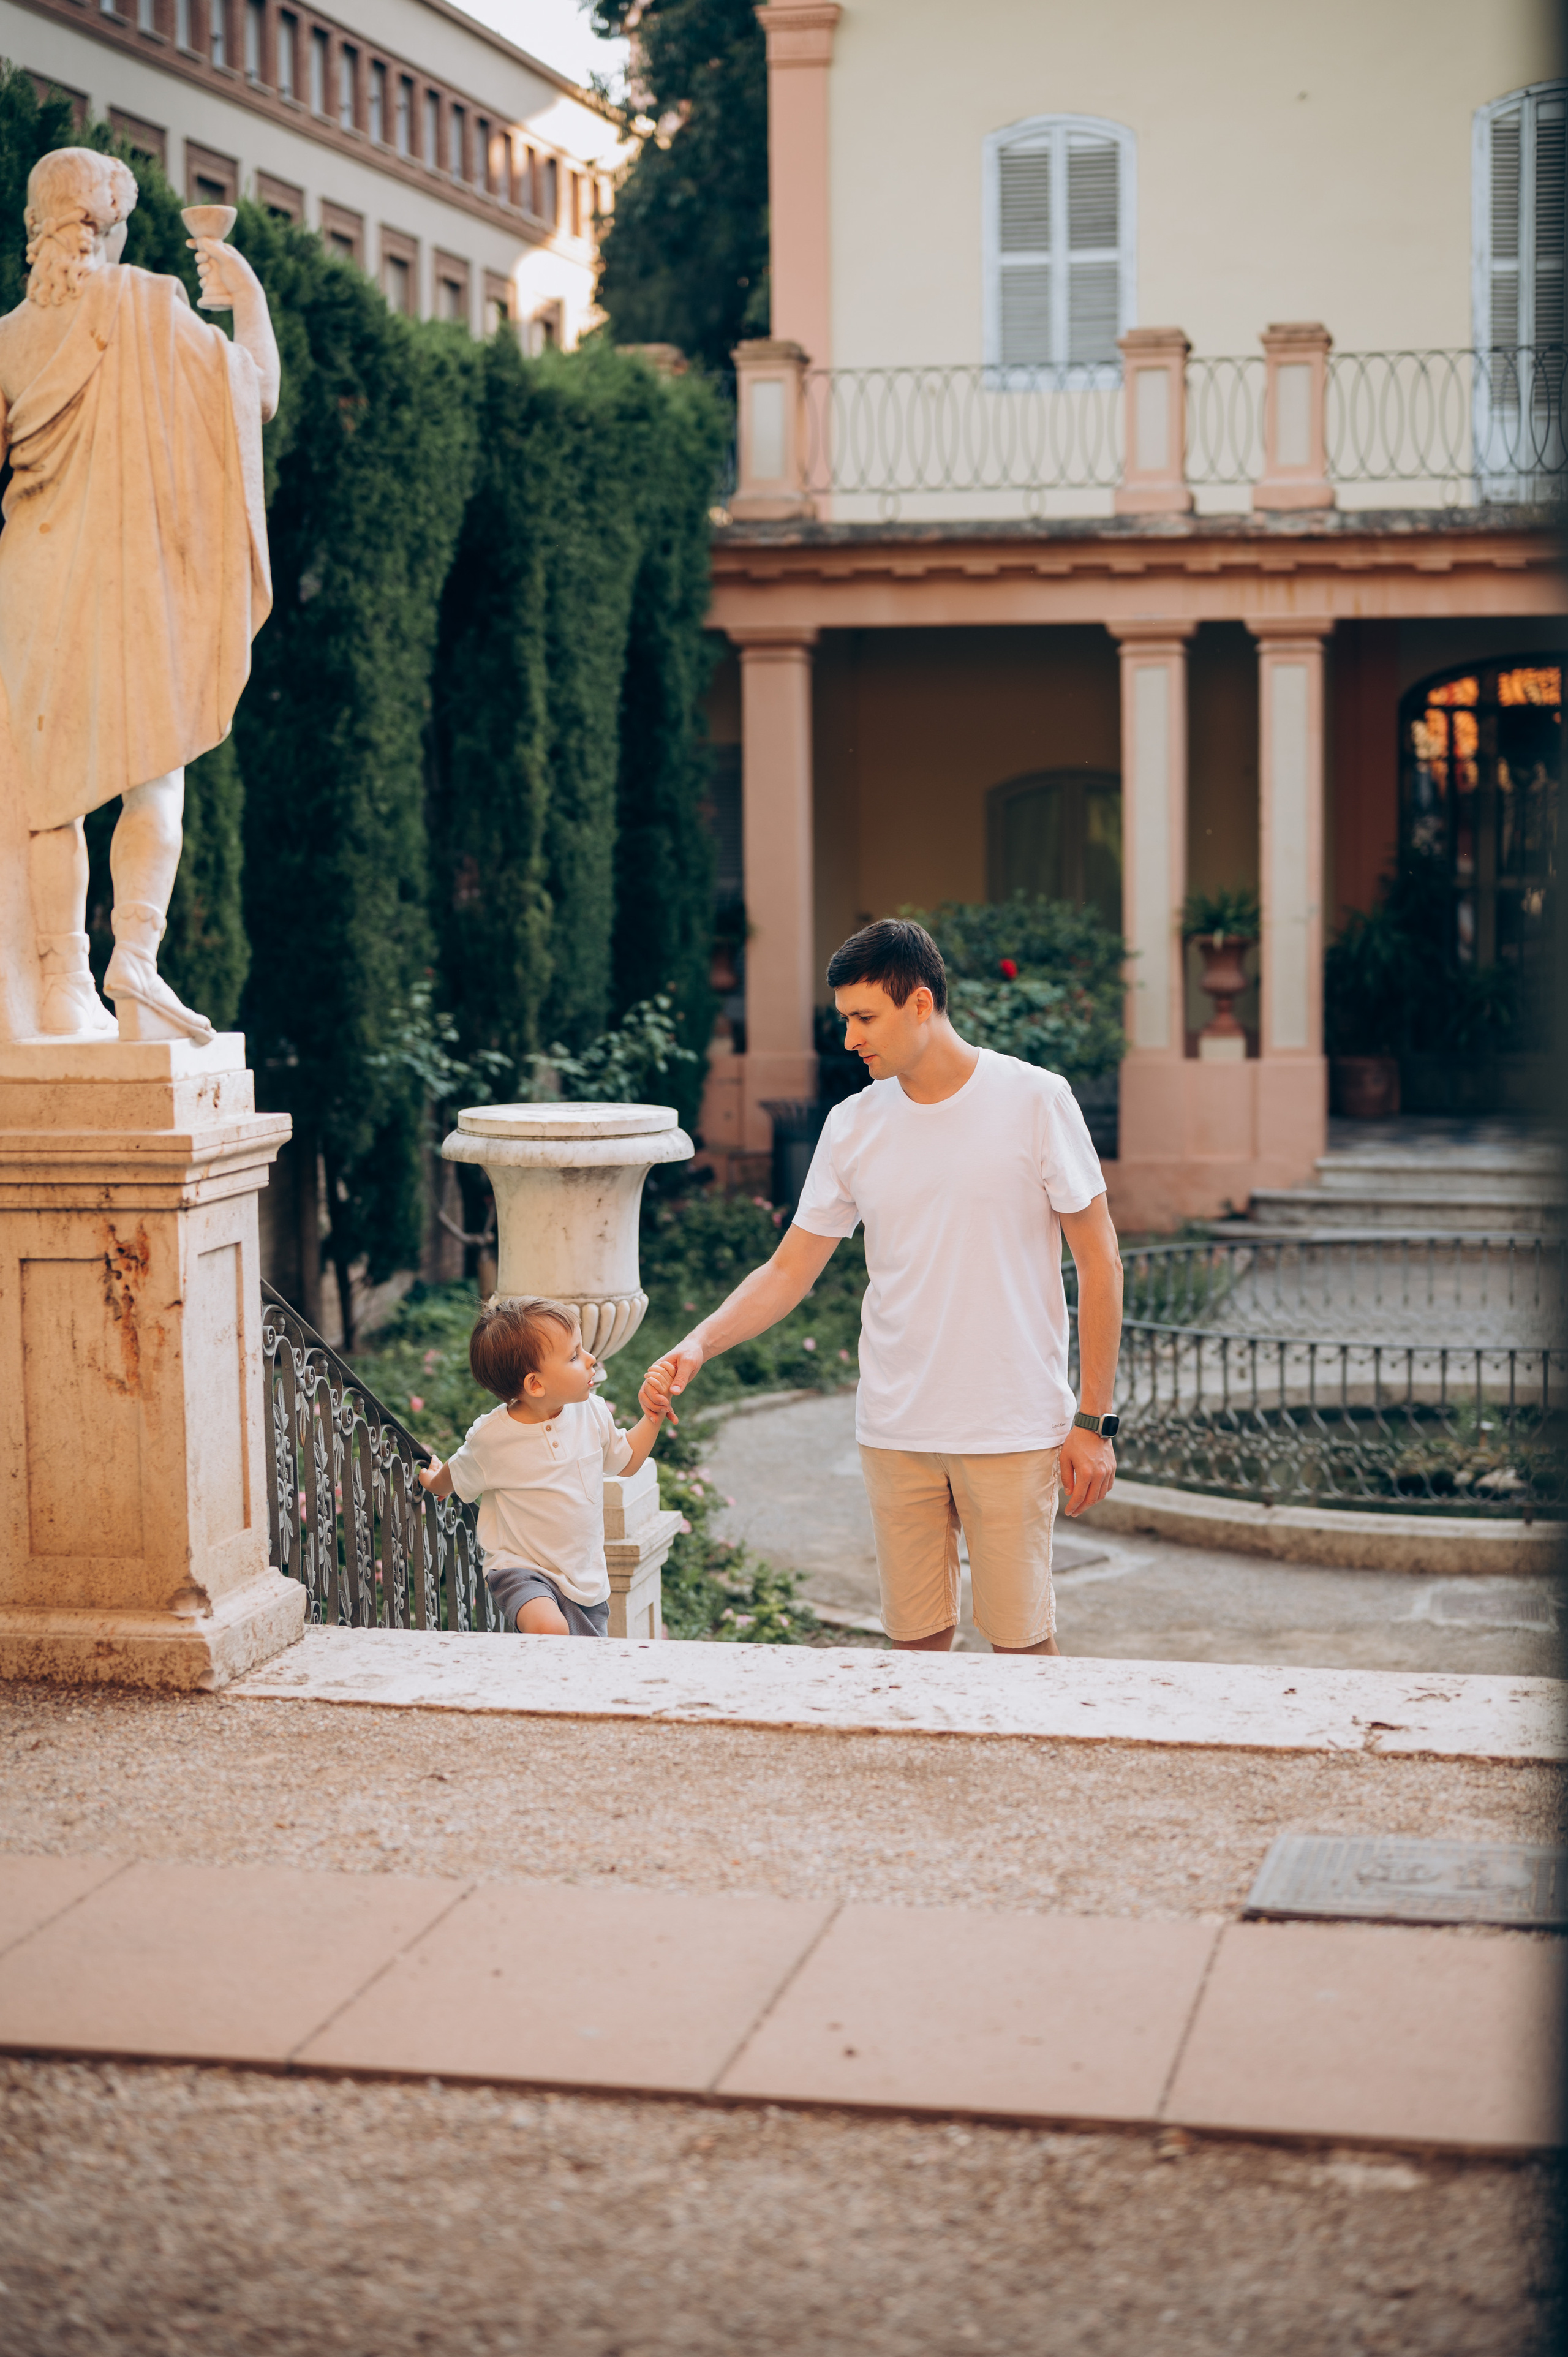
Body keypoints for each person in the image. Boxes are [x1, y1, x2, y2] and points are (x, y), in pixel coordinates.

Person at [640, 919, 1123, 1657]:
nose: (849, 1039)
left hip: (1010, 1425)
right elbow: (788, 1269)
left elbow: (1100, 1260)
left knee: (1023, 1656)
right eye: (845, 1020)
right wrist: (698, 1342)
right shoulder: (851, 1124)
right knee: (915, 1654)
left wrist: (1093, 1419)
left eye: (864, 1018)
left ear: (920, 1002)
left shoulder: (1035, 1099)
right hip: (896, 1430)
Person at [0, 147, 278, 1043]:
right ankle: (137, 956)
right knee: (154, 773)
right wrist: (250, 303)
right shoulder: (148, 307)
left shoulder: (6, 338)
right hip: (126, 581)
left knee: (51, 797)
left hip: (30, 584)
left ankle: (59, 981)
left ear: (34, 233)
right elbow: (257, 395)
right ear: (112, 230)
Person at [418, 1294, 668, 1637]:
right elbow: (459, 1471)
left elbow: (625, 1461)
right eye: (575, 1356)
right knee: (549, 1628)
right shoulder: (492, 1438)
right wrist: (435, 1485)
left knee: (581, 1669)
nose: (591, 1360)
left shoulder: (592, 1413)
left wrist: (652, 1418)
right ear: (536, 1384)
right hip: (520, 1569)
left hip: (584, 1580)